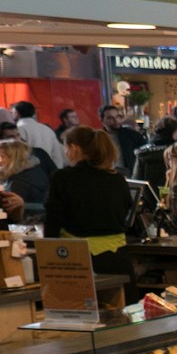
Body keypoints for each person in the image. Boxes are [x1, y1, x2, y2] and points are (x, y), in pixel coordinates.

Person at [44, 127, 135, 296]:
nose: (65, 153)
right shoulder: (117, 178)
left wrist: (49, 256)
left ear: (74, 148)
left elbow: (53, 219)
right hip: (117, 258)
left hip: (77, 260)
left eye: (65, 148)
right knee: (124, 309)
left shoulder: (62, 178)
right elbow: (126, 210)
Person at [0, 140, 49, 214]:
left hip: (29, 219)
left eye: (2, 156)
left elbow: (10, 211)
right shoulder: (33, 169)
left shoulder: (19, 182)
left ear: (15, 158)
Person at [134, 116, 177, 189]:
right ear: (172, 133)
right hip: (171, 191)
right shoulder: (176, 151)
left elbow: (136, 179)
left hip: (148, 193)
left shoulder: (143, 152)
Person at [100, 103, 144, 177]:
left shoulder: (132, 136)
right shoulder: (99, 138)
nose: (116, 120)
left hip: (129, 175)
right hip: (107, 176)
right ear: (102, 120)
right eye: (110, 118)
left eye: (118, 116)